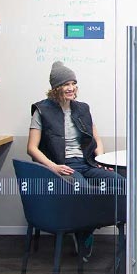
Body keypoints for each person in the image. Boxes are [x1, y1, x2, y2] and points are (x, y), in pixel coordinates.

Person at [28, 61, 123, 261]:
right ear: (56, 88)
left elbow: (96, 139)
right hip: (63, 166)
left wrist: (101, 159)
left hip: (87, 163)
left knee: (119, 182)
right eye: (66, 84)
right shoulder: (42, 111)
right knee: (82, 189)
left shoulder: (83, 108)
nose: (71, 88)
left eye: (73, 83)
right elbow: (32, 148)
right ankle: (83, 235)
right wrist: (53, 167)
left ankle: (87, 229)